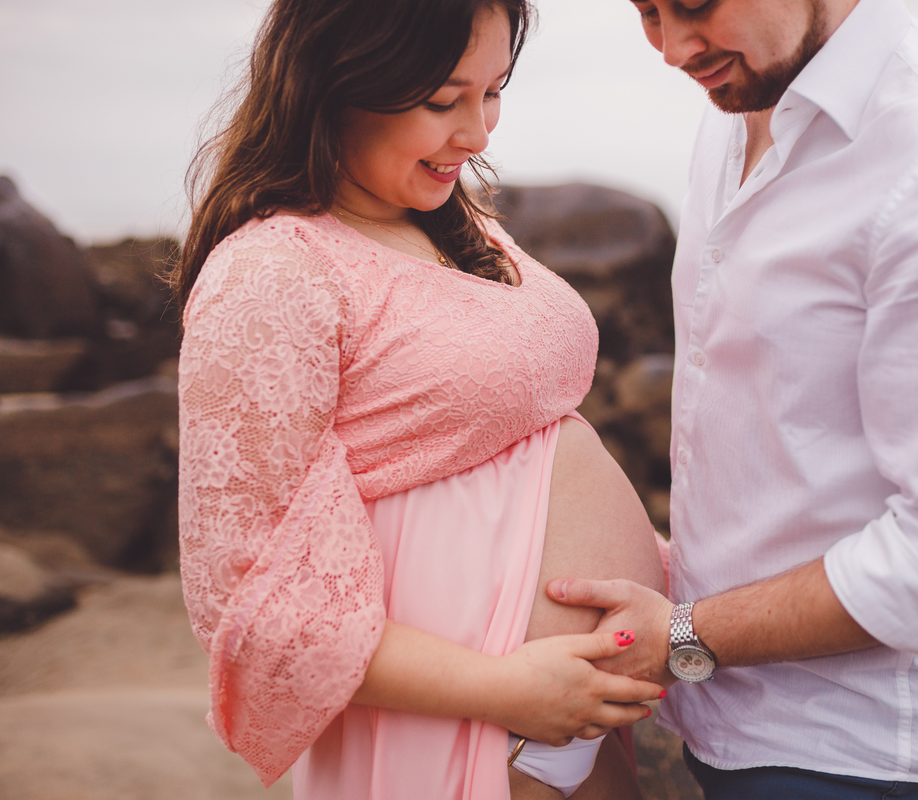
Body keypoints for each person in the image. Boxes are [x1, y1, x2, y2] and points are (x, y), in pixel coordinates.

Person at [549, 0, 918, 797]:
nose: (669, 47)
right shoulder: (740, 102)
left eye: (693, 5)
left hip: (842, 754)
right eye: (646, 10)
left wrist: (683, 635)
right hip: (709, 710)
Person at [172, 1, 668, 798]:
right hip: (473, 714)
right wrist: (506, 691)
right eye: (442, 101)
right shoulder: (271, 274)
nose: (477, 134)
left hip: (561, 711)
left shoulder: (455, 223)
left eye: (493, 92)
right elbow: (254, 605)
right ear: (336, 82)